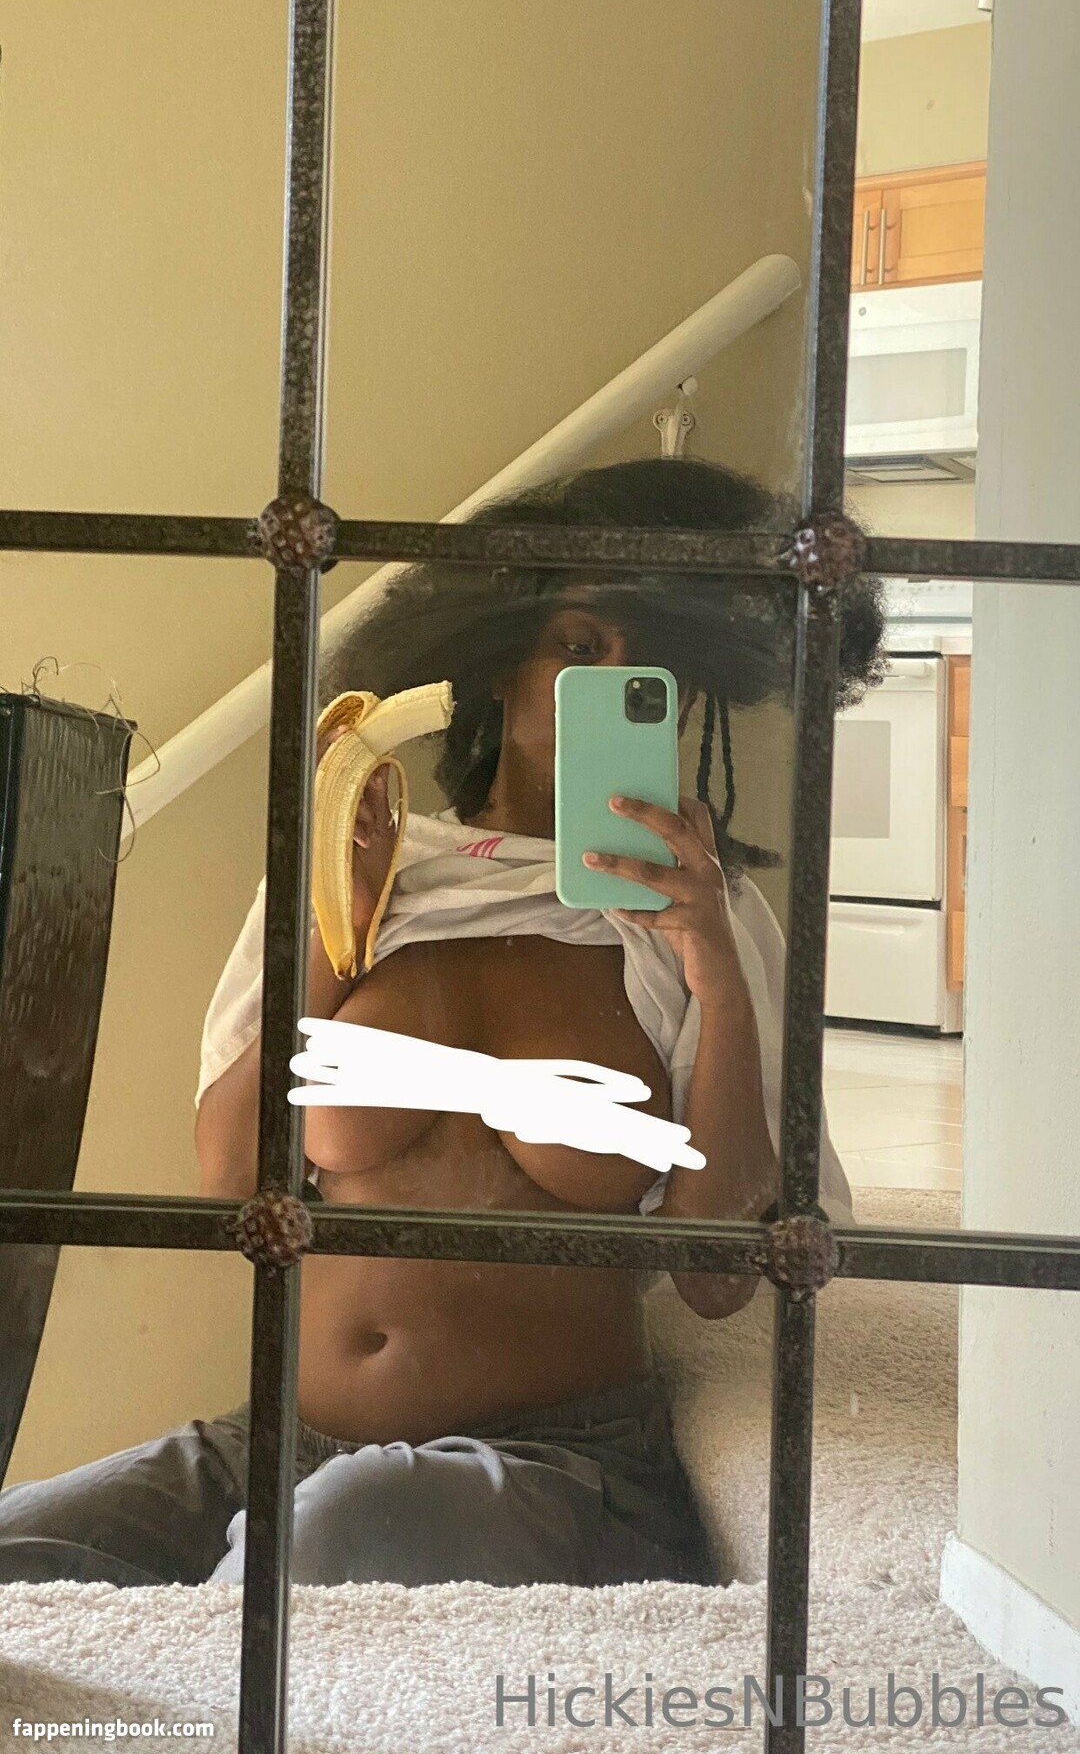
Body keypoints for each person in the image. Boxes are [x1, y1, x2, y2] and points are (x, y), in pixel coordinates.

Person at [0, 457, 885, 1592]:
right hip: (280, 1442)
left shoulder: (701, 920)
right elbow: (229, 1181)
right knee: (21, 1548)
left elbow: (719, 1280)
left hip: (552, 1459)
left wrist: (715, 968)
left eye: (646, 662)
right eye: (578, 643)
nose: (611, 675)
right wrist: (337, 930)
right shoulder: (356, 873)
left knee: (324, 1539)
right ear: (501, 662)